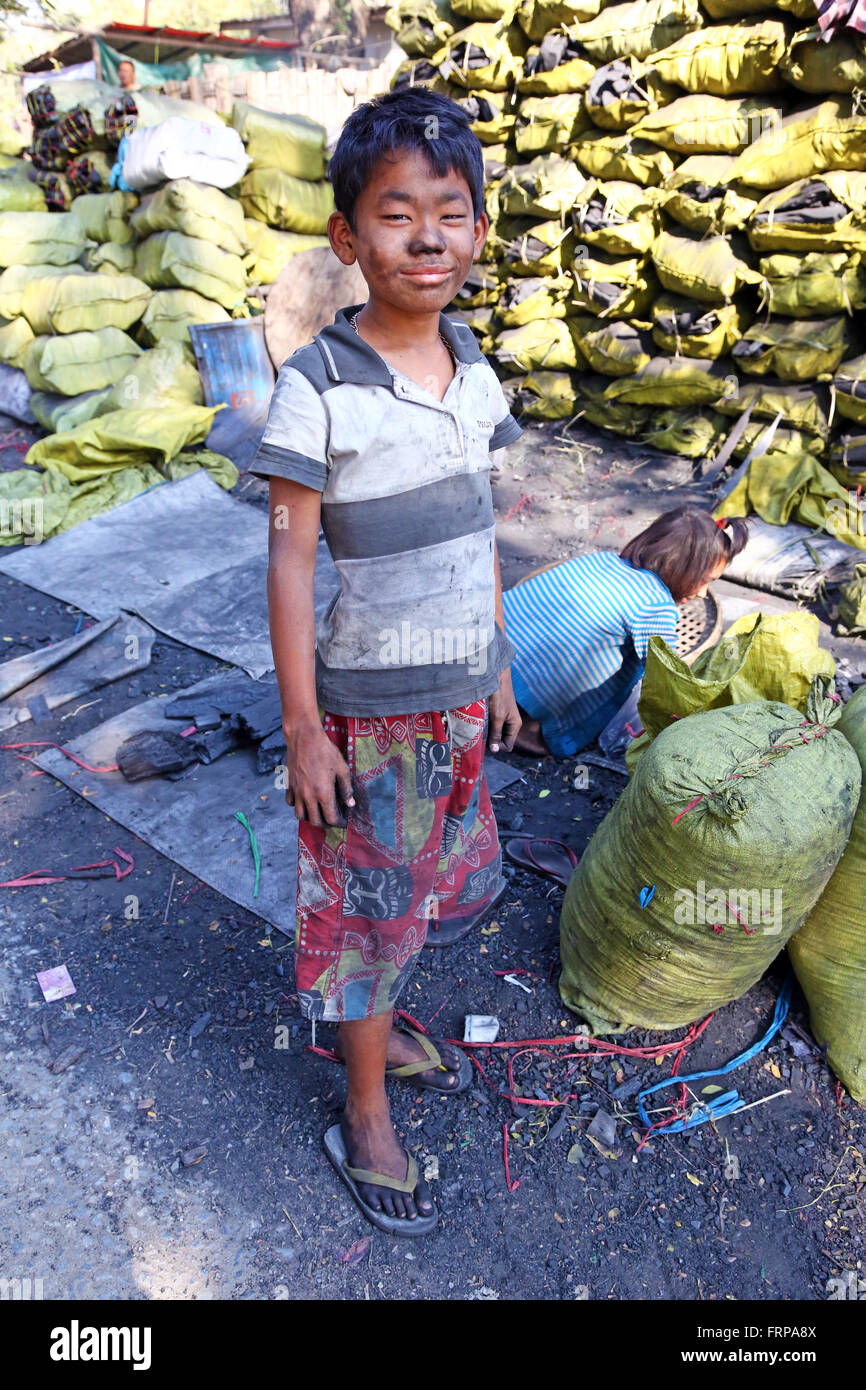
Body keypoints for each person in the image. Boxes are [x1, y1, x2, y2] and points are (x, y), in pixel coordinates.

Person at [248, 87, 523, 1235]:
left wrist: (497, 662)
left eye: (448, 213)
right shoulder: (317, 389)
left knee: (408, 899)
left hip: (459, 704)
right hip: (368, 723)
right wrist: (304, 727)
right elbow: (291, 561)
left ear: (475, 229)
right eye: (395, 213)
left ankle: (376, 1022)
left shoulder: (478, 372)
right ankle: (361, 1108)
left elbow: (478, 534)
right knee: (364, 916)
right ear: (347, 238)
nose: (425, 238)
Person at [503, 508, 749, 758]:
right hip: (515, 685)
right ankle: (530, 725)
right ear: (676, 566)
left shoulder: (603, 560)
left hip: (490, 646)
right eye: (703, 580)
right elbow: (668, 678)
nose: (703, 593)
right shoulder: (656, 606)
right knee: (631, 669)